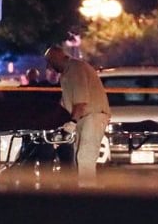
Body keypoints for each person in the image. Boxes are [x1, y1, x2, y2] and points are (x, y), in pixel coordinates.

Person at [44, 45, 110, 188]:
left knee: (85, 157)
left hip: (92, 117)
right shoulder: (67, 73)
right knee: (81, 157)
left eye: (49, 61)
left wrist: (72, 123)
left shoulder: (75, 69)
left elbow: (81, 102)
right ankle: (84, 191)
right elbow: (66, 102)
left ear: (57, 57)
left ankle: (87, 195)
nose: (49, 66)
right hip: (85, 118)